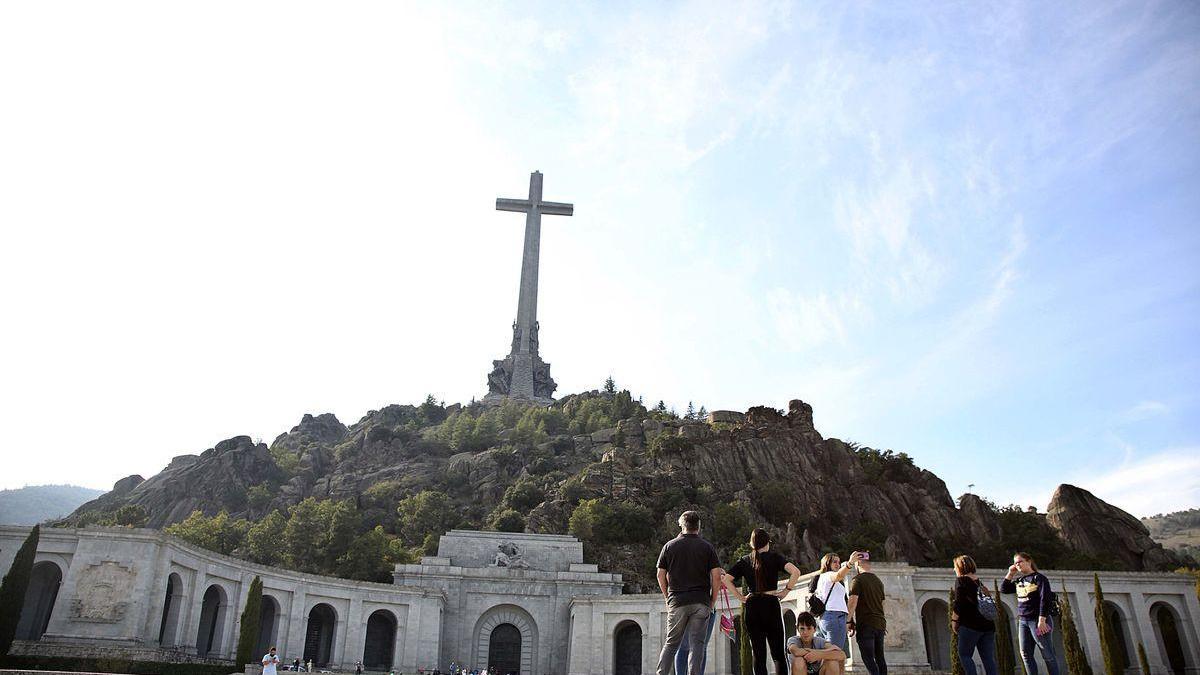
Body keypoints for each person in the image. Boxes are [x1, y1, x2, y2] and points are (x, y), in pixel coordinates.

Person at [724, 528, 801, 675]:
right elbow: (796, 572)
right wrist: (786, 590)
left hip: (752, 606)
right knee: (778, 654)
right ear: (767, 542)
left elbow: (726, 579)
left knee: (758, 655)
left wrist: (740, 597)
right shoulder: (774, 558)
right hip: (771, 603)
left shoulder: (745, 560)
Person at [656, 510, 723, 675]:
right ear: (698, 527)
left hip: (677, 601)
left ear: (681, 525)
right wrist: (712, 600)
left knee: (671, 644)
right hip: (701, 601)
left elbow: (660, 574)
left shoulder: (669, 546)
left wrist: (667, 597)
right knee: (697, 645)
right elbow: (716, 577)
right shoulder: (707, 547)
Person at [1001, 552, 1059, 675]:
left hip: (1038, 621)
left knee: (1047, 654)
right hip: (1023, 622)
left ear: (1029, 561)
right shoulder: (1019, 580)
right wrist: (1011, 573)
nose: (1017, 565)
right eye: (1015, 563)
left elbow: (1045, 599)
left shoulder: (1039, 578)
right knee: (1025, 654)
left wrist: (1042, 620)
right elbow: (1004, 589)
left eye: (1020, 561)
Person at [675, 567, 726, 675]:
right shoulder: (707, 551)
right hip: (704, 604)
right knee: (699, 647)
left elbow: (664, 575)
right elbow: (718, 576)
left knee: (684, 647)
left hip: (684, 605)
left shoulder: (677, 552)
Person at [952, 555, 997, 675]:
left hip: (970, 625)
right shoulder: (978, 582)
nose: (954, 570)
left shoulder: (961, 580)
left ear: (960, 567)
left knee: (965, 655)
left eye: (955, 567)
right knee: (988, 659)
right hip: (988, 625)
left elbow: (959, 603)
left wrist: (954, 621)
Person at [813, 551, 862, 652]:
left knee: (826, 653)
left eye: (839, 562)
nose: (837, 564)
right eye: (834, 562)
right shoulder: (828, 575)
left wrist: (849, 620)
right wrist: (850, 563)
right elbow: (839, 576)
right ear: (827, 563)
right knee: (834, 653)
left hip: (827, 617)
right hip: (834, 616)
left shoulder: (824, 578)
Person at [847, 552, 887, 675]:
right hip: (880, 624)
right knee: (880, 658)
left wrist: (848, 620)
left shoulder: (857, 580)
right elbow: (883, 604)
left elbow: (853, 601)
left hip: (866, 624)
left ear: (858, 563)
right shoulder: (878, 581)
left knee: (868, 658)